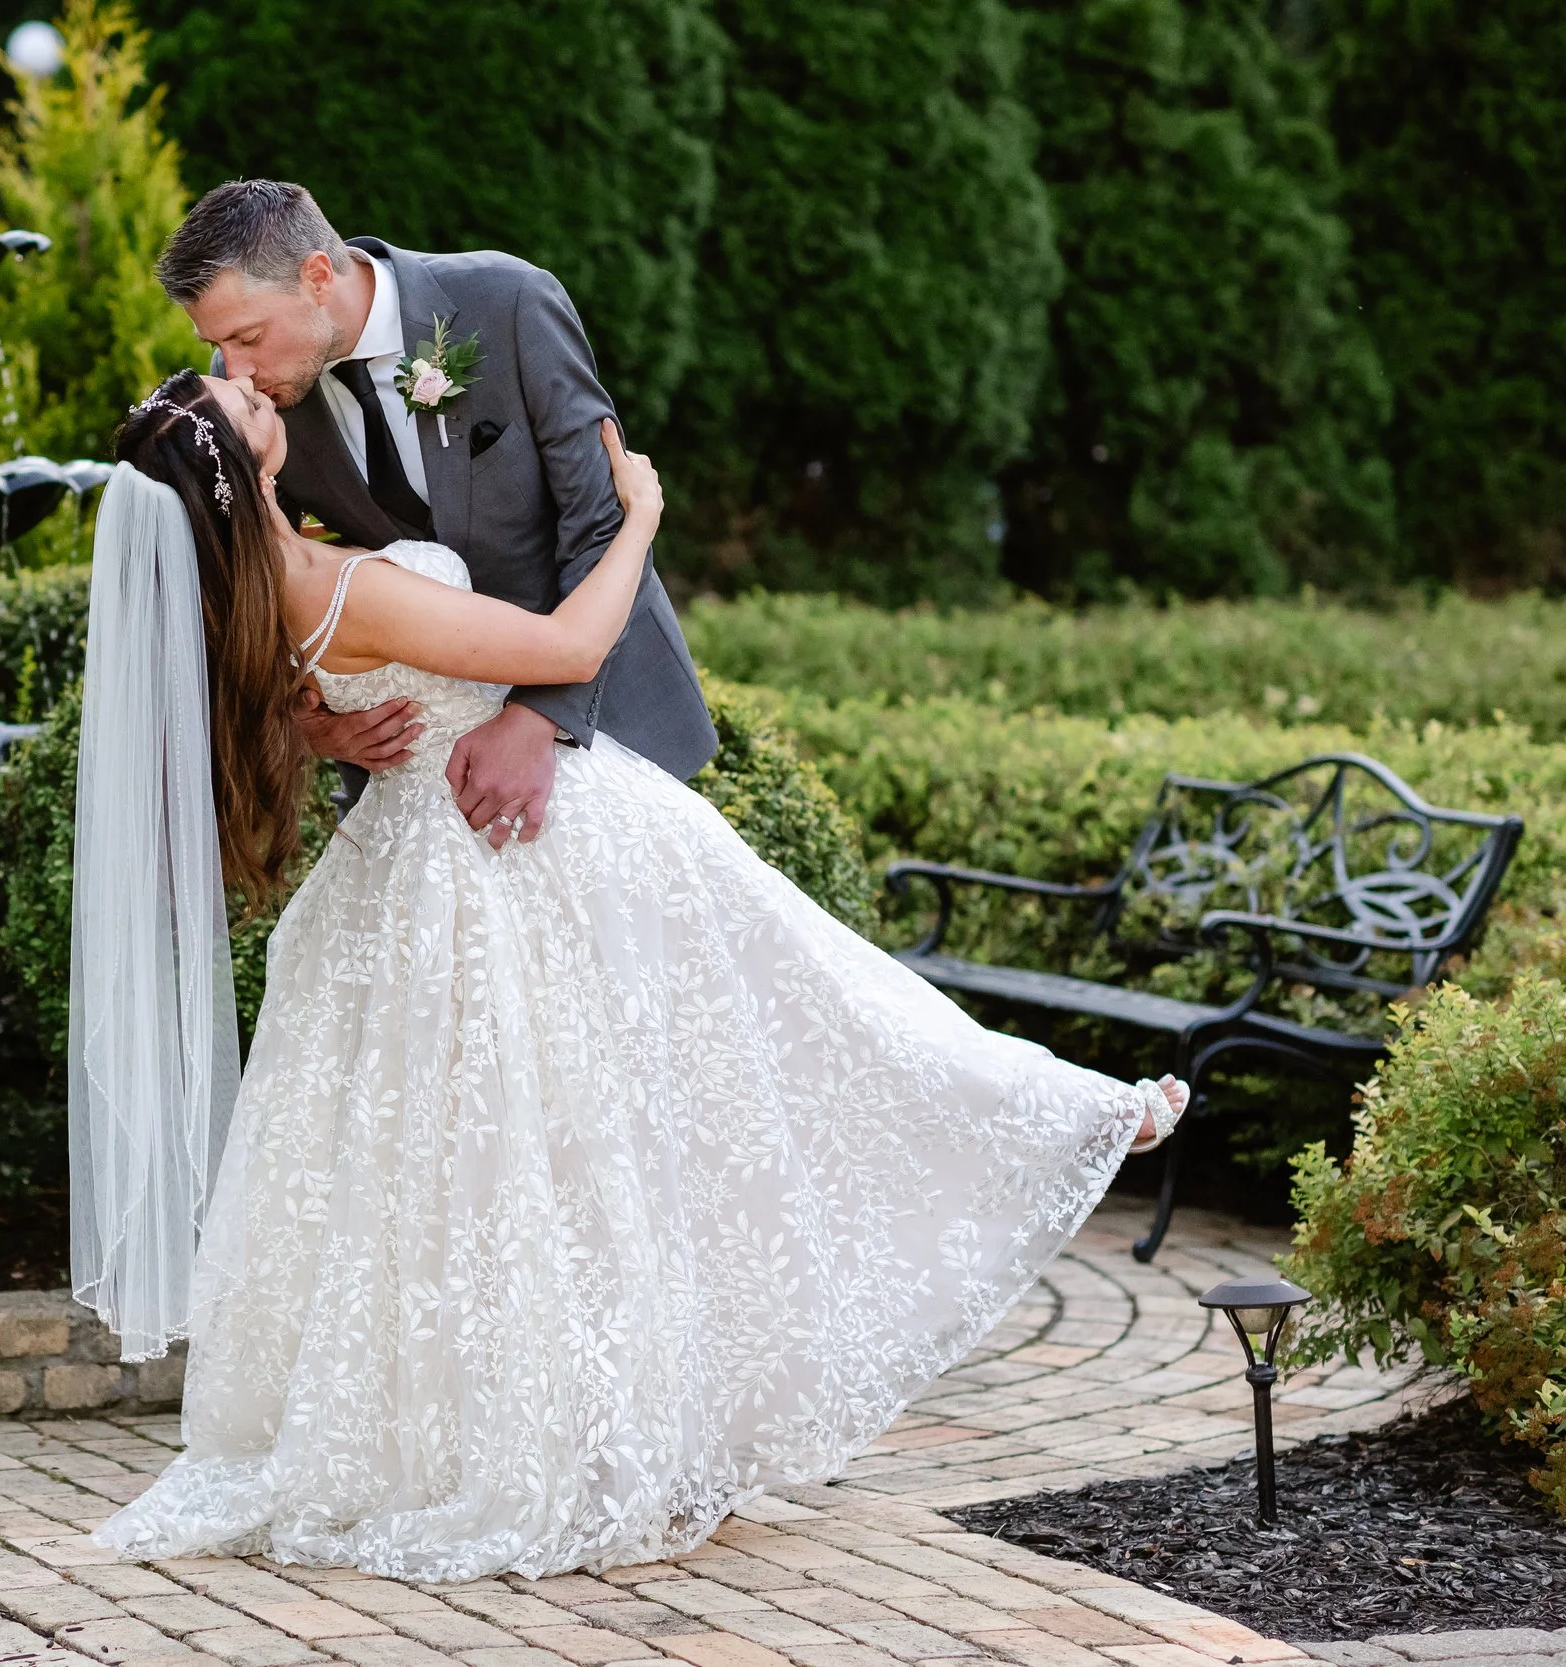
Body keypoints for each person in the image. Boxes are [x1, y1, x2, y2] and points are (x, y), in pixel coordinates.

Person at [66, 362, 1188, 1583]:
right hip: (508, 852)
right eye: (233, 402)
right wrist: (641, 511)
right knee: (784, 1016)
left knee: (489, 1171)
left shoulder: (265, 586)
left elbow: (245, 705)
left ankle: (494, 1425)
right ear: (237, 470)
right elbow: (565, 640)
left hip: (413, 864)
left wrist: (318, 723)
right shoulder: (337, 583)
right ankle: (1056, 1112)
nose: (245, 384)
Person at [151, 179, 717, 845]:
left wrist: (537, 718)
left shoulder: (509, 302)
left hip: (600, 726)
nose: (236, 369)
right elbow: (248, 573)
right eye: (220, 344)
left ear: (317, 275)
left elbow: (601, 518)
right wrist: (306, 723)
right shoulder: (248, 406)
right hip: (415, 787)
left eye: (247, 336)